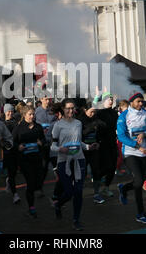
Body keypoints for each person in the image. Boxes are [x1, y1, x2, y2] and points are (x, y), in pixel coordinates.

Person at [117, 92, 146, 224]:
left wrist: (145, 134)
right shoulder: (124, 115)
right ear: (131, 102)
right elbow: (121, 136)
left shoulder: (145, 113)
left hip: (143, 152)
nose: (140, 104)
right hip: (130, 153)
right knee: (138, 182)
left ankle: (124, 188)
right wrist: (136, 146)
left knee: (141, 181)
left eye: (142, 102)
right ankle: (140, 213)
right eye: (138, 101)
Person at [51, 99, 88, 231]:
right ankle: (58, 204)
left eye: (72, 108)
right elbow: (52, 146)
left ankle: (76, 220)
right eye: (68, 108)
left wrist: (89, 146)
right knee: (69, 192)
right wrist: (60, 149)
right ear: (63, 109)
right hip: (63, 161)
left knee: (78, 191)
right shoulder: (58, 125)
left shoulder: (78, 123)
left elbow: (79, 143)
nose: (71, 111)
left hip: (79, 160)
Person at [12, 105, 45, 218]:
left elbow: (44, 140)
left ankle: (31, 192)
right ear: (24, 115)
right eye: (30, 114)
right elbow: (13, 142)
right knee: (30, 183)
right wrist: (18, 147)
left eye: (33, 114)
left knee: (38, 181)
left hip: (37, 158)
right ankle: (31, 207)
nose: (32, 116)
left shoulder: (38, 127)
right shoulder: (19, 128)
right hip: (25, 160)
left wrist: (42, 143)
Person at [76, 101, 105, 204]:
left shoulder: (96, 119)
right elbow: (79, 135)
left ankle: (96, 194)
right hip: (82, 150)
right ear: (85, 110)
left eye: (95, 112)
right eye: (91, 111)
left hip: (94, 149)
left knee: (96, 171)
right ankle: (78, 193)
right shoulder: (79, 121)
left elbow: (101, 133)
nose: (93, 114)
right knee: (82, 173)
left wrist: (98, 142)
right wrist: (91, 127)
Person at [94, 92, 118, 197]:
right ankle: (97, 188)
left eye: (112, 99)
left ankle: (106, 187)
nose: (111, 101)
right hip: (102, 143)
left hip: (113, 142)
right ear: (103, 101)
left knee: (113, 167)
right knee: (106, 166)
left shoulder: (114, 113)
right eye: (109, 99)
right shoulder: (99, 113)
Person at [35, 94, 57, 195]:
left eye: (49, 99)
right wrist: (37, 139)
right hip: (42, 144)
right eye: (45, 99)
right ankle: (39, 187)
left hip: (52, 142)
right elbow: (33, 125)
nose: (47, 101)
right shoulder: (36, 112)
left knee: (57, 166)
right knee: (43, 167)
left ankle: (60, 188)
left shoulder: (52, 111)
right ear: (41, 99)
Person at [2, 103, 21, 204]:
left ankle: (10, 182)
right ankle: (15, 194)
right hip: (5, 152)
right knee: (10, 171)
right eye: (8, 111)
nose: (10, 113)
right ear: (5, 112)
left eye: (11, 111)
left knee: (13, 172)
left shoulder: (16, 123)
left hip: (15, 151)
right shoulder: (1, 123)